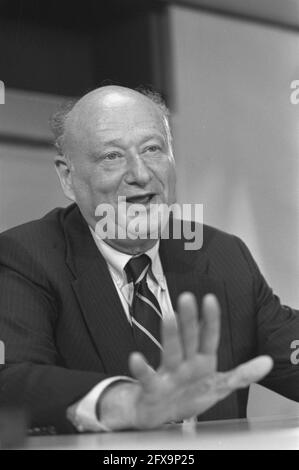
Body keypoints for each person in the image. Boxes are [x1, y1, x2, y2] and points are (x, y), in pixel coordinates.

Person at [0, 85, 298, 435]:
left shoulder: (220, 254)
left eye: (152, 149)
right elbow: (12, 377)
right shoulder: (26, 254)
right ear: (68, 177)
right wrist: (126, 401)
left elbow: (290, 350)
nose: (140, 173)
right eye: (112, 156)